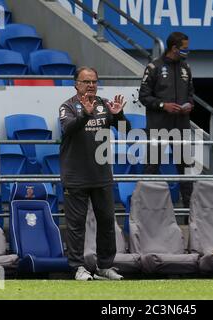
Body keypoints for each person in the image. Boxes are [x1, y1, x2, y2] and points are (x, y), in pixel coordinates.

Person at [59, 66, 129, 281]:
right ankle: (78, 267)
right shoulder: (67, 106)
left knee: (107, 222)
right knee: (76, 225)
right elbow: (68, 128)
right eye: (86, 81)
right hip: (76, 175)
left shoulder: (104, 104)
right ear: (76, 84)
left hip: (102, 175)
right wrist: (85, 115)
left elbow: (126, 130)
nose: (91, 85)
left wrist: (119, 116)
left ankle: (105, 266)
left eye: (94, 81)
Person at [138, 31, 195, 208]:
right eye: (185, 48)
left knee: (186, 170)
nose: (187, 51)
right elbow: (143, 96)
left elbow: (191, 93)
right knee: (151, 168)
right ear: (174, 48)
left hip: (181, 125)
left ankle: (188, 215)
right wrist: (164, 106)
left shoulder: (186, 68)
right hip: (158, 126)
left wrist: (190, 104)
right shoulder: (154, 67)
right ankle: (146, 211)